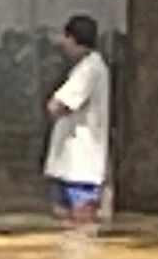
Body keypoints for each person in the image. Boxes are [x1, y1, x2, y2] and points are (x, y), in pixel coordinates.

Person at [46, 13, 112, 230]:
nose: (62, 44)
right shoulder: (88, 68)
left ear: (73, 39)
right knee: (68, 224)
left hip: (80, 165)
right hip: (70, 163)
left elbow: (58, 105)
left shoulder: (89, 69)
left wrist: (53, 106)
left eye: (65, 38)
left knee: (80, 225)